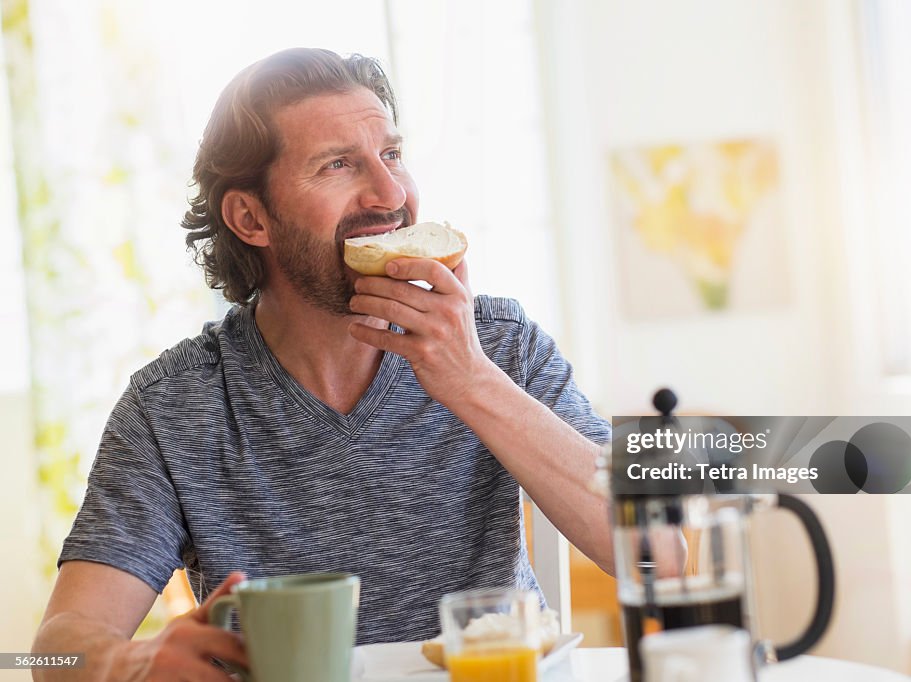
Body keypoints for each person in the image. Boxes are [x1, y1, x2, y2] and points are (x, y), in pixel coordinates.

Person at [32, 47, 612, 681]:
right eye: (338, 165)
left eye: (392, 154)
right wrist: (127, 660)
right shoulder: (173, 405)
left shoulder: (499, 342)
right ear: (251, 217)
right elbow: (48, 653)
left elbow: (662, 553)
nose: (392, 195)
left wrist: (471, 379)